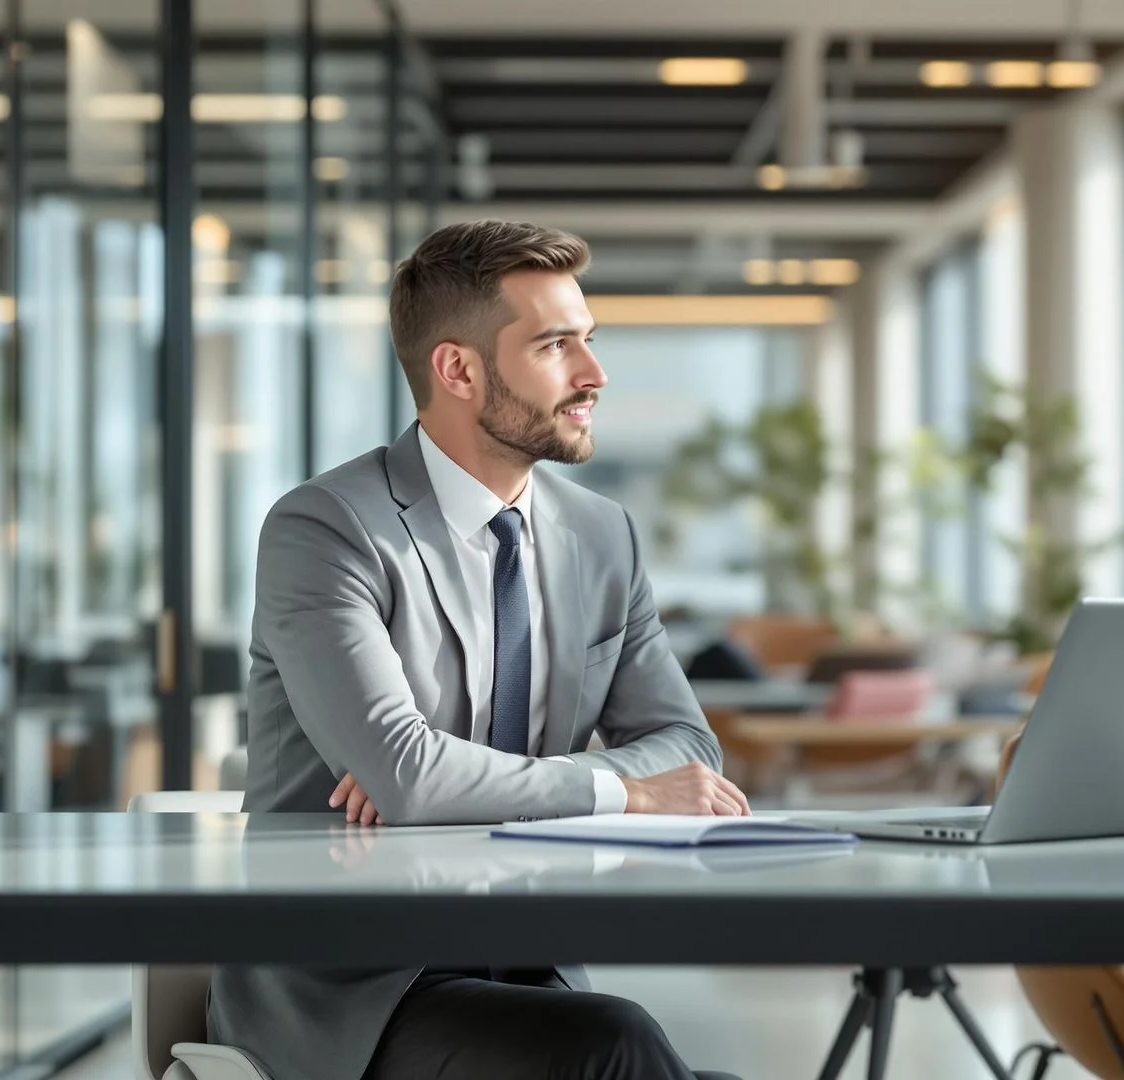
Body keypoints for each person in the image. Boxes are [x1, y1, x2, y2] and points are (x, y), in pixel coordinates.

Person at [209, 220, 749, 1080]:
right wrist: (622, 792)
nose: (593, 375)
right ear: (457, 370)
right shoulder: (328, 529)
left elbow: (688, 748)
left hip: (526, 966)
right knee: (617, 1045)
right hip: (355, 994)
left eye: (589, 342)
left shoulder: (602, 536)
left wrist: (454, 781)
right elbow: (411, 776)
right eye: (554, 346)